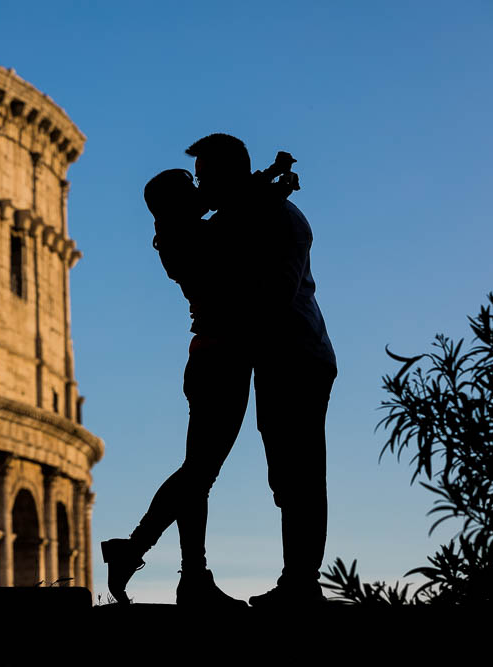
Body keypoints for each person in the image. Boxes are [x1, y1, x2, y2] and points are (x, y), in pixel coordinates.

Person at [102, 134, 336, 608]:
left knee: (272, 473)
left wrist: (266, 188)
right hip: (234, 356)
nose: (202, 191)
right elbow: (252, 279)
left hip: (281, 356)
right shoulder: (210, 232)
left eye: (204, 180)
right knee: (218, 470)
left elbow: (274, 293)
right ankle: (174, 566)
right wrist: (268, 187)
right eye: (195, 185)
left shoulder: (246, 222)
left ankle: (185, 568)